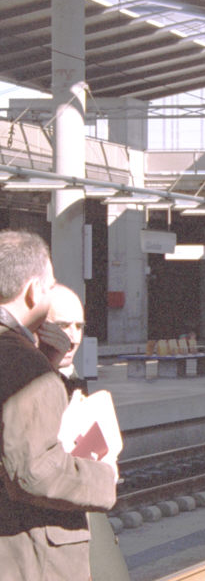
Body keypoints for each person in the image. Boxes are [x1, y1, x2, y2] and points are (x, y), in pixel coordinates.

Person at [0, 230, 117, 581]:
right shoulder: (21, 363)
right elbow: (33, 471)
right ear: (34, 291)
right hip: (27, 554)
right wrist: (104, 477)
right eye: (50, 287)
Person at [43, 284, 130, 581]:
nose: (74, 337)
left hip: (85, 524)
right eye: (63, 325)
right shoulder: (21, 382)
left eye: (79, 326)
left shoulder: (74, 378)